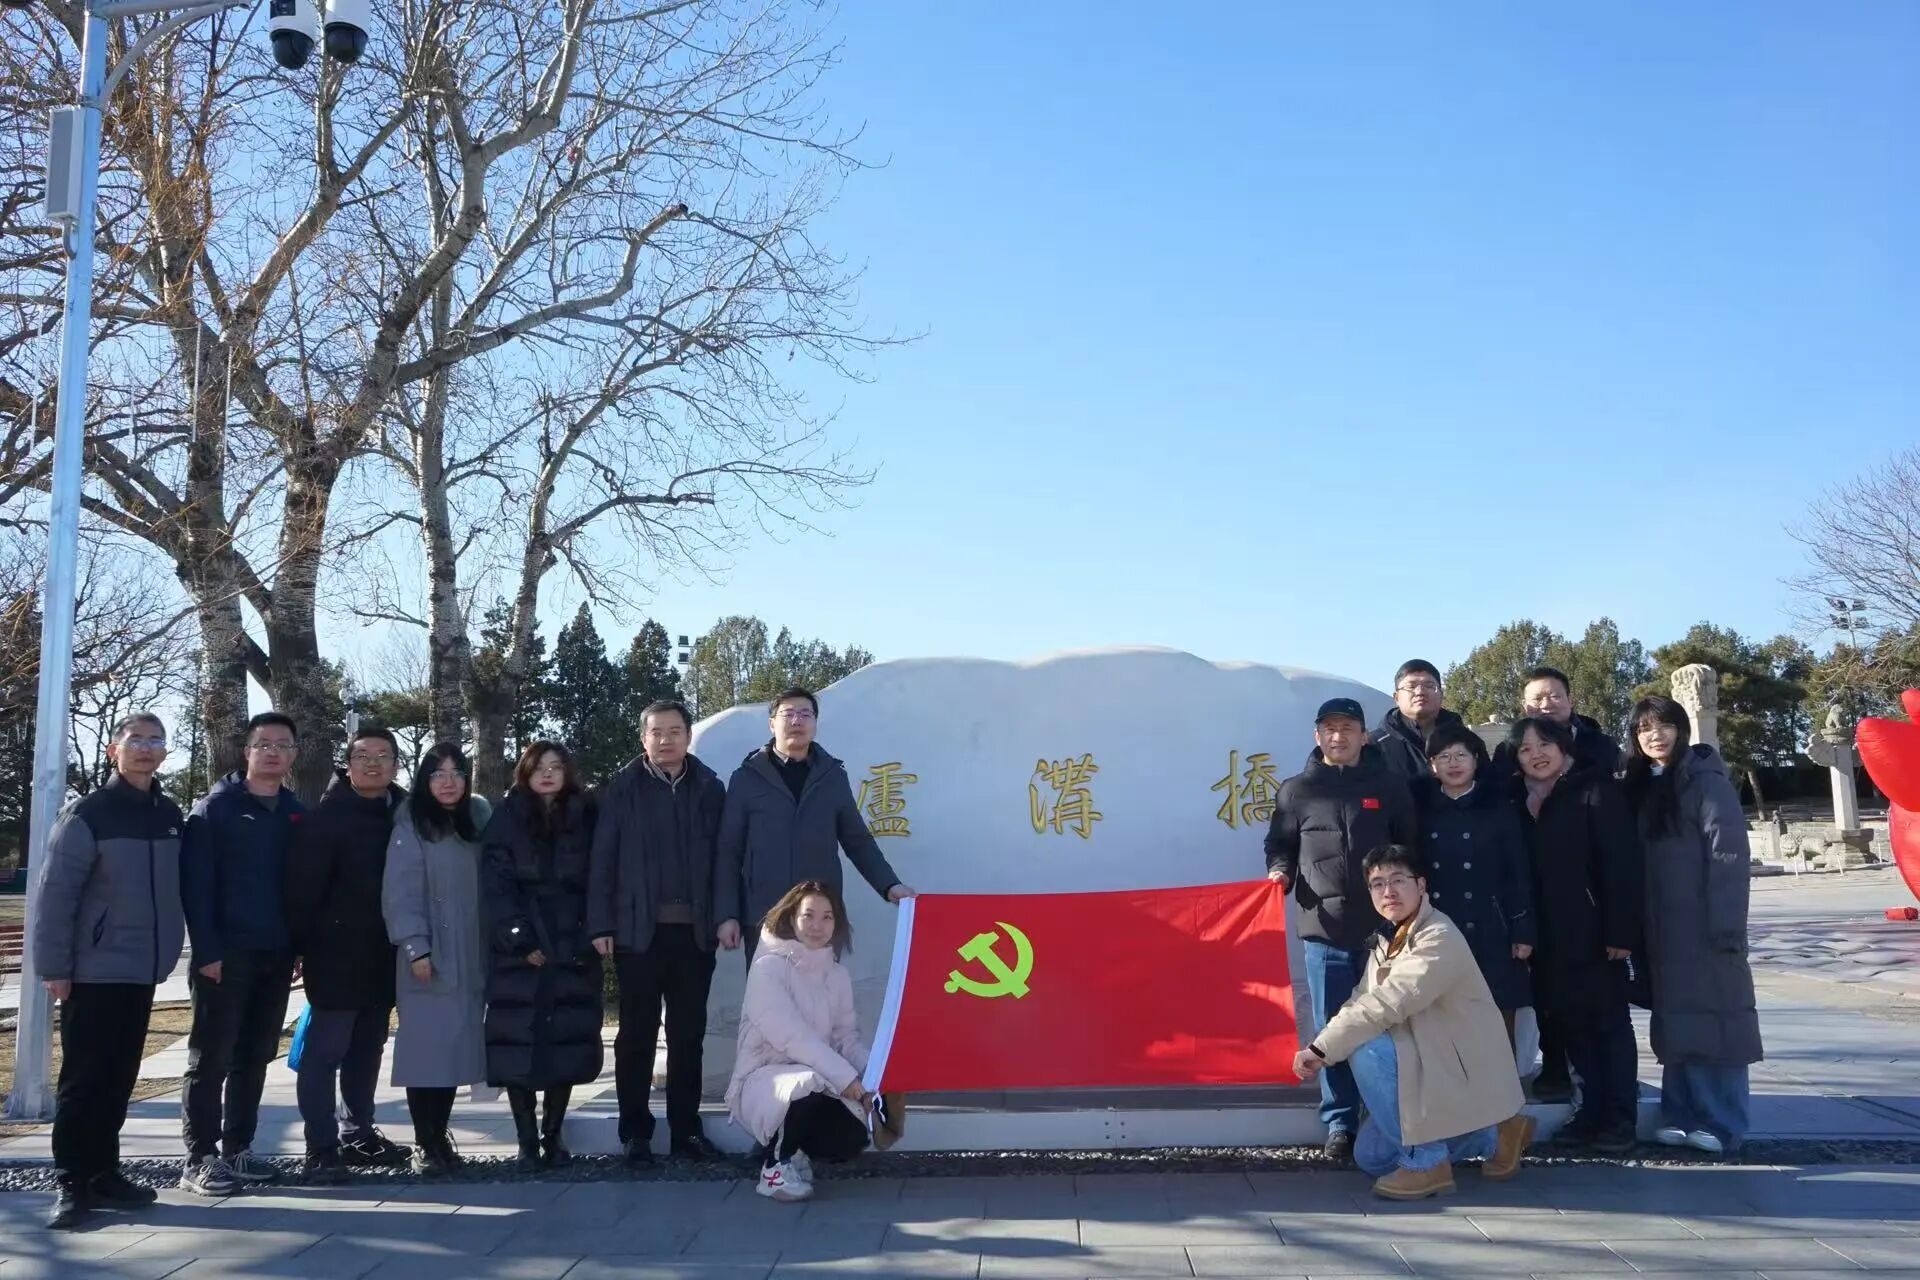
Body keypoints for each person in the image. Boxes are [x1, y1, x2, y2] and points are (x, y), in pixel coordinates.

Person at [1294, 844, 1536, 1199]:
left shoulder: (1438, 935)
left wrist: (1321, 1049)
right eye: (1378, 884)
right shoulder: (1388, 938)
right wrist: (1322, 1043)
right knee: (1372, 1157)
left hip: (1455, 1068)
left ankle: (1427, 1161)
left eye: (1398, 880)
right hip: (1424, 1061)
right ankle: (1494, 1134)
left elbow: (1389, 1002)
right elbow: (1359, 1001)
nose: (1388, 891)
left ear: (1421, 885)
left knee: (1366, 1050)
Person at [35, 714, 185, 1229]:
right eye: (135, 739)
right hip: (92, 970)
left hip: (142, 969)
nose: (145, 748)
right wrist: (54, 966)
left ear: (164, 752)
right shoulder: (88, 813)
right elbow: (55, 894)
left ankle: (104, 1172)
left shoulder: (168, 814)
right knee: (84, 1079)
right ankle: (71, 1179)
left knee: (119, 1077)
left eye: (155, 740)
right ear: (113, 751)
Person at [1264, 696, 1417, 1162]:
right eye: (1330, 728)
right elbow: (1279, 843)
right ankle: (1340, 1122)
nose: (1339, 736)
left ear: (1364, 736)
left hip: (1385, 932)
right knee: (1331, 1027)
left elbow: (1411, 847)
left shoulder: (1389, 786)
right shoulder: (1297, 790)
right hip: (1323, 929)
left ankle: (1387, 1115)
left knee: (1388, 1022)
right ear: (1317, 736)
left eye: (1348, 728)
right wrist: (1280, 871)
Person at [589, 700, 728, 1167]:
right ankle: (635, 1132)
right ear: (643, 738)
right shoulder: (621, 789)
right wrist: (601, 923)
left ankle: (686, 1131)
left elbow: (724, 859)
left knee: (688, 1035)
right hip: (636, 933)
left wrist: (725, 915)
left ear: (689, 736)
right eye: (657, 732)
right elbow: (602, 860)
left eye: (675, 731)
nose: (666, 739)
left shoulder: (710, 788)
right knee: (636, 1035)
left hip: (695, 933)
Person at [1623, 695, 1763, 1157]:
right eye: (1644, 729)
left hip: (1705, 925)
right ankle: (1680, 1114)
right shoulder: (1647, 783)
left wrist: (1726, 925)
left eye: (1663, 725)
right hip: (1663, 928)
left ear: (1681, 729)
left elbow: (1728, 854)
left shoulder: (1705, 780)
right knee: (1680, 1023)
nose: (1654, 736)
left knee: (1718, 1021)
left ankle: (1722, 1121)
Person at [179, 711, 304, 1196]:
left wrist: (297, 947)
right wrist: (207, 951)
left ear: (294, 754)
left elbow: (299, 886)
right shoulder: (215, 809)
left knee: (255, 1056)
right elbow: (196, 888)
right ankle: (199, 1156)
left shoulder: (295, 812)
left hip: (275, 954)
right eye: (264, 744)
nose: (273, 752)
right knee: (211, 1057)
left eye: (283, 745)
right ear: (247, 751)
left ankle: (239, 1148)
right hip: (225, 956)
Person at [1508, 715, 1644, 1153]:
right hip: (1548, 937)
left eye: (1544, 745)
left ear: (1563, 747)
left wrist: (1620, 930)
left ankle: (1619, 1118)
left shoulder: (1595, 791)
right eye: (1525, 749)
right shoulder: (1521, 800)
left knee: (1608, 1026)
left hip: (1596, 933)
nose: (1536, 755)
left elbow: (1622, 866)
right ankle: (1590, 1112)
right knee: (1572, 1025)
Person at [284, 726, 413, 1184]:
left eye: (383, 755)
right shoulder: (326, 817)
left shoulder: (405, 813)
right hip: (335, 954)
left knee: (368, 1048)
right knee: (325, 1051)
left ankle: (358, 1131)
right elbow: (303, 891)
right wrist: (300, 947)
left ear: (396, 763)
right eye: (363, 755)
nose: (373, 763)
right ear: (348, 763)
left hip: (385, 952)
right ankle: (320, 1146)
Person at [1489, 667, 1622, 1103]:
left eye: (1554, 696)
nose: (1545, 705)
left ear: (1570, 699)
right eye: (1536, 698)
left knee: (1599, 1013)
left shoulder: (1597, 763)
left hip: (1588, 914)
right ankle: (1561, 1074)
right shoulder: (1510, 776)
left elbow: (1618, 861)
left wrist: (1620, 928)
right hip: (1535, 909)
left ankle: (1610, 1105)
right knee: (1548, 998)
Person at [715, 687, 916, 959]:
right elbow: (729, 850)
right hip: (765, 913)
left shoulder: (832, 776)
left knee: (822, 984)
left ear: (815, 723)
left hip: (820, 915)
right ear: (772, 723)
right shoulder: (747, 778)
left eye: (805, 714)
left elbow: (857, 840)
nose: (797, 720)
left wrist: (889, 884)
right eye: (788, 714)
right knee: (767, 986)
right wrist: (727, 914)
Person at [483, 742, 604, 1169]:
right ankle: (525, 1140)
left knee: (564, 1042)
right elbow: (496, 886)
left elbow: (599, 878)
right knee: (518, 1041)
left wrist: (588, 935)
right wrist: (519, 938)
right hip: (519, 948)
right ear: (525, 772)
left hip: (572, 942)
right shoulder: (506, 816)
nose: (548, 774)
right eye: (539, 767)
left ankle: (553, 1135)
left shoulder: (586, 816)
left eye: (556, 766)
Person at [725, 880, 873, 1202]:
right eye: (808, 915)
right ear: (792, 918)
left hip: (818, 1078)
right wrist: (846, 1079)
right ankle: (774, 1169)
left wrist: (874, 1075)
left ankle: (796, 1153)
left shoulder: (837, 975)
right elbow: (794, 1038)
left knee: (852, 1136)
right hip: (762, 1080)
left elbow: (846, 1037)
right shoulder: (767, 969)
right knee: (804, 1084)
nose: (817, 926)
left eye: (827, 917)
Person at [383, 743, 492, 1175]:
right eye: (438, 774)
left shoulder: (475, 821)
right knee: (425, 1051)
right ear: (424, 780)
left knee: (453, 1052)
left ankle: (439, 1135)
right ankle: (424, 1142)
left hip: (470, 952)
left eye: (456, 773)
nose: (448, 782)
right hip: (429, 954)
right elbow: (400, 891)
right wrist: (416, 946)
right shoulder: (411, 822)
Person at [1413, 722, 1535, 1040]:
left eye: (1461, 755)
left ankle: (1500, 1074)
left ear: (1476, 760)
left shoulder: (1498, 808)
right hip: (1439, 926)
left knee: (1497, 1016)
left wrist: (1522, 930)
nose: (1453, 763)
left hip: (1492, 927)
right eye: (1443, 757)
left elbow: (1518, 872)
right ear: (1432, 765)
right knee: (1441, 1018)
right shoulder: (1421, 812)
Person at [1371, 660, 1471, 780]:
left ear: (1441, 694)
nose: (1420, 692)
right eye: (1411, 686)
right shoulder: (1375, 745)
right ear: (1396, 697)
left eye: (1429, 686)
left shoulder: (1466, 739)